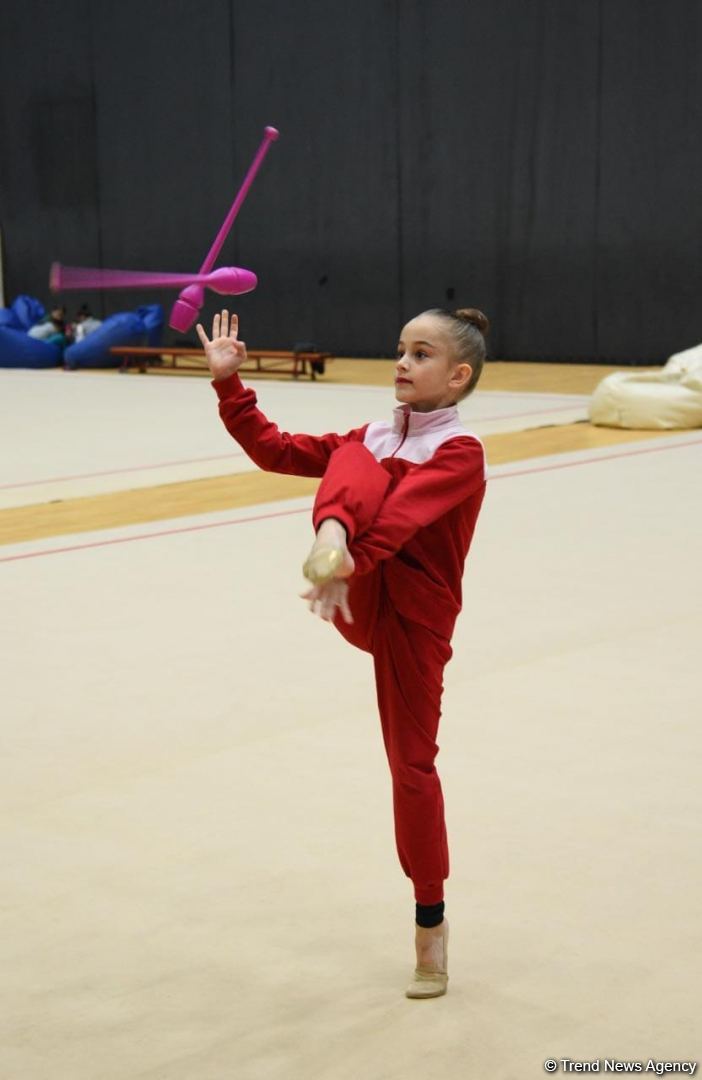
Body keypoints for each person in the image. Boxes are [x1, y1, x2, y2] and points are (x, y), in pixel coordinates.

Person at [196, 305, 489, 999]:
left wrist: (353, 556)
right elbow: (275, 450)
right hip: (353, 587)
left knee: (411, 767)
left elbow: (405, 515)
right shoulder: (374, 434)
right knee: (352, 455)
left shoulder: (461, 452)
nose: (401, 362)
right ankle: (328, 533)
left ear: (458, 376)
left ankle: (430, 925)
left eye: (421, 354)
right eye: (400, 349)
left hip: (408, 619)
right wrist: (229, 384)